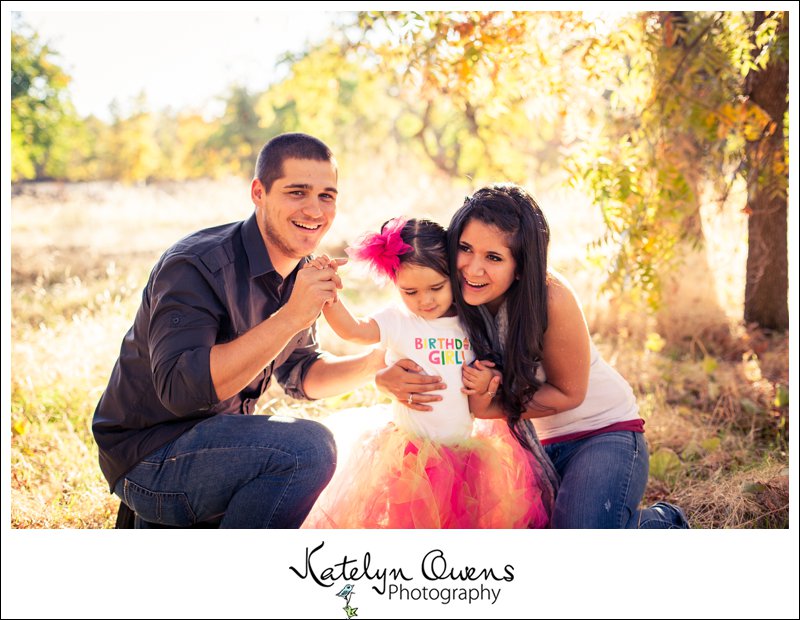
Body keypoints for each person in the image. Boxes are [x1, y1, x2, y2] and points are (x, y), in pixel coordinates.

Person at [92, 133, 385, 528]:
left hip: (218, 443)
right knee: (308, 449)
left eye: (326, 196)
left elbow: (301, 374)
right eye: (297, 192)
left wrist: (376, 365)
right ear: (258, 193)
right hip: (149, 455)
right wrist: (291, 316)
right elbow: (181, 392)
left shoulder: (301, 270)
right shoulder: (196, 265)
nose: (315, 210)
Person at [377, 184, 689, 529]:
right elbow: (400, 339)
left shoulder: (549, 297)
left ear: (521, 266)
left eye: (494, 257)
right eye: (465, 248)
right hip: (530, 444)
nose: (473, 269)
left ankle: (663, 523)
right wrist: (383, 378)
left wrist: (490, 407)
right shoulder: (445, 293)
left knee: (577, 539)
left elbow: (569, 393)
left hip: (600, 433)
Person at [302, 217, 551, 528]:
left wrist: (486, 380)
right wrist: (329, 297)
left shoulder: (469, 321)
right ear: (396, 286)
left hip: (465, 455)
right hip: (411, 458)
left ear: (453, 276)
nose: (425, 300)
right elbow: (354, 330)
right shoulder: (399, 320)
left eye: (436, 287)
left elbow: (487, 373)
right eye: (410, 292)